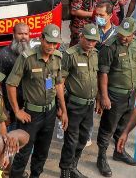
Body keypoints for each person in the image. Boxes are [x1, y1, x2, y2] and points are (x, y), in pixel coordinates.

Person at [5, 23, 66, 178]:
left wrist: (62, 109)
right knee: (23, 154)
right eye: (48, 42)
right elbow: (11, 84)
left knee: (42, 152)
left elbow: (58, 83)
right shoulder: (27, 58)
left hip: (50, 113)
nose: (51, 46)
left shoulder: (57, 57)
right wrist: (17, 111)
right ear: (41, 39)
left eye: (54, 43)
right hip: (31, 115)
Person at [95, 17, 136, 177]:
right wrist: (104, 96)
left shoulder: (135, 43)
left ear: (133, 34)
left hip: (131, 93)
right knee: (108, 128)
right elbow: (103, 73)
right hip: (115, 94)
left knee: (123, 126)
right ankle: (101, 157)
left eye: (127, 34)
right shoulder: (110, 46)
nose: (123, 37)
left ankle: (119, 151)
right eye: (122, 33)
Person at [59, 23, 100, 178]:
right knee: (71, 140)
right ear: (81, 37)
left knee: (84, 138)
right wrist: (61, 107)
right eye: (88, 39)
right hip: (73, 105)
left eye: (94, 40)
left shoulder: (95, 54)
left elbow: (95, 78)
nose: (90, 43)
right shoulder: (70, 55)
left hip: (89, 105)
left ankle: (73, 166)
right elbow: (60, 82)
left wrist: (98, 98)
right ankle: (65, 171)